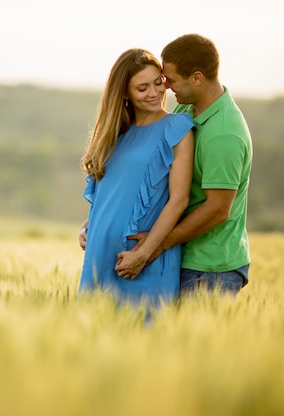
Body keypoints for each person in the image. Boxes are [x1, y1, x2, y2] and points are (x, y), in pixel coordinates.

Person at [113, 34, 253, 297]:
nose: (165, 87)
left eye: (171, 79)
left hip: (211, 268)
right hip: (183, 257)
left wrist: (154, 247)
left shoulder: (224, 133)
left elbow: (217, 209)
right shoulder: (187, 112)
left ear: (197, 78)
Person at [78, 48, 194, 312]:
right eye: (142, 88)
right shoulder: (114, 134)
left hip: (143, 262)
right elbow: (109, 194)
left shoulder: (177, 129)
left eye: (158, 83)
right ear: (124, 92)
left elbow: (179, 200)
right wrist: (87, 228)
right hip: (99, 258)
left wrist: (142, 255)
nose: (154, 93)